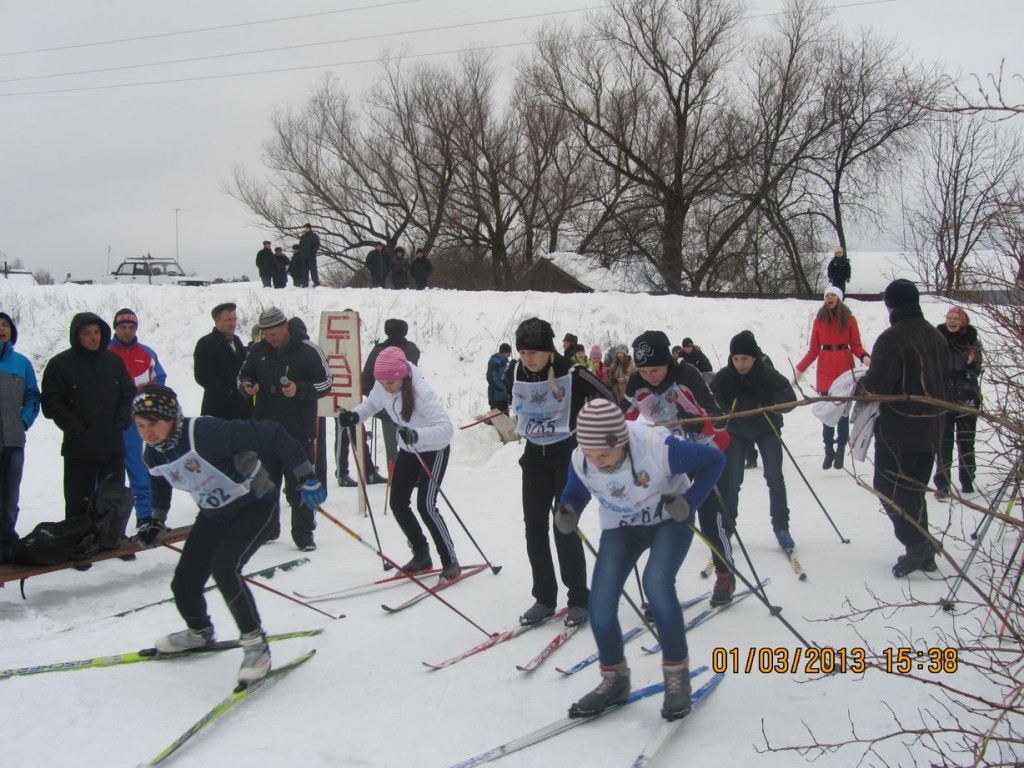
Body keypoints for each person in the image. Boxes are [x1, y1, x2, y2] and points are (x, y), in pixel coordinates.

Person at [133, 383, 326, 687]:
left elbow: (271, 432)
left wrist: (306, 474)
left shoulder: (206, 433)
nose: (148, 432)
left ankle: (255, 646)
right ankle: (200, 632)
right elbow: (160, 481)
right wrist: (156, 520)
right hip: (214, 514)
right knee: (184, 581)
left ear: (172, 416)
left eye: (154, 423)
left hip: (256, 505)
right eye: (140, 426)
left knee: (225, 567)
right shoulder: (154, 453)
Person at [557, 399, 725, 720]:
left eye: (605, 455)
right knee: (601, 601)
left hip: (669, 521)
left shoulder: (657, 448)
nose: (599, 463)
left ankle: (677, 676)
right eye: (591, 456)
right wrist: (568, 511)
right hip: (622, 527)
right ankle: (614, 679)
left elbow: (714, 460)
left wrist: (690, 501)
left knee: (656, 584)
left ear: (621, 441)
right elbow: (576, 493)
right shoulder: (583, 458)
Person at [506, 317, 614, 627]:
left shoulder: (573, 371)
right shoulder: (514, 370)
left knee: (564, 524)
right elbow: (507, 393)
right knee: (534, 525)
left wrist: (591, 426)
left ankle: (579, 597)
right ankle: (544, 598)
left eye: (535, 352)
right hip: (534, 456)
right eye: (524, 352)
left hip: (566, 454)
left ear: (549, 351)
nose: (529, 358)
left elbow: (607, 398)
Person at [623, 330, 735, 606]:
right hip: (668, 453)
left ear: (668, 363)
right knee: (661, 520)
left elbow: (717, 414)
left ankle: (724, 573)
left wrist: (701, 422)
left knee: (710, 518)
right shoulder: (636, 382)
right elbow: (623, 416)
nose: (650, 376)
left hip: (706, 451)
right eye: (645, 371)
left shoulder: (687, 375)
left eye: (656, 370)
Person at [337, 347, 460, 579]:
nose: (386, 387)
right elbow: (372, 404)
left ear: (402, 376)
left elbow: (446, 429)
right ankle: (421, 554)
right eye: (382, 383)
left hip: (434, 450)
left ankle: (450, 560)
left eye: (390, 383)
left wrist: (417, 435)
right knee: (397, 502)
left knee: (426, 505)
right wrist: (355, 416)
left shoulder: (422, 393)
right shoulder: (383, 384)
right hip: (408, 449)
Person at [858, 279, 949, 577]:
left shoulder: (892, 339)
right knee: (913, 490)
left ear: (891, 305)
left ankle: (917, 545)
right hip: (933, 426)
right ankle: (923, 552)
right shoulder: (936, 337)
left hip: (900, 428)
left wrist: (859, 387)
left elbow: (878, 385)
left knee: (889, 487)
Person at [238, 307, 333, 551]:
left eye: (273, 333)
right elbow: (243, 375)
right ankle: (268, 529)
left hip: (297, 430)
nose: (269, 338)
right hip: (265, 430)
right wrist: (247, 385)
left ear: (285, 327)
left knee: (300, 483)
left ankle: (303, 534)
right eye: (265, 334)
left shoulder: (308, 350)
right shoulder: (257, 350)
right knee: (266, 483)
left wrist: (299, 389)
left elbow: (326, 383)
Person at [41, 312, 136, 520]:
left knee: (113, 498)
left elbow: (129, 393)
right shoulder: (60, 364)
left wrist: (121, 421)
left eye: (96, 332)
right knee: (79, 501)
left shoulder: (114, 361)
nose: (94, 337)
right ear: (77, 336)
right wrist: (77, 428)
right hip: (79, 446)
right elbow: (51, 403)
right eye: (87, 333)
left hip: (112, 444)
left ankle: (112, 539)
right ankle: (78, 543)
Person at [710, 331, 798, 550]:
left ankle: (781, 527)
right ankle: (727, 527)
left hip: (766, 430)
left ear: (754, 358)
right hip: (737, 432)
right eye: (736, 359)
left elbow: (790, 401)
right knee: (732, 481)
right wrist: (724, 400)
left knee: (774, 477)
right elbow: (709, 401)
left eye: (745, 359)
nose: (740, 364)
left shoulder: (767, 374)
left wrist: (766, 397)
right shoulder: (725, 376)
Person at [794, 286, 870, 470]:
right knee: (827, 412)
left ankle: (841, 450)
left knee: (842, 413)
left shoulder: (850, 319)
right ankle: (828, 449)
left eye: (833, 294)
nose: (829, 297)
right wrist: (799, 371)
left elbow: (856, 346)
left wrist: (866, 358)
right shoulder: (819, 320)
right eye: (827, 295)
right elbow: (813, 350)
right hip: (825, 369)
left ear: (839, 298)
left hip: (845, 369)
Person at [108, 308, 168, 535]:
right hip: (111, 422)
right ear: (116, 328)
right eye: (123, 327)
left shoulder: (146, 353)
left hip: (137, 421)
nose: (127, 331)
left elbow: (160, 379)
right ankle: (110, 526)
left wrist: (148, 389)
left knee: (139, 469)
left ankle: (144, 517)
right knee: (110, 475)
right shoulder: (106, 351)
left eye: (131, 327)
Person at [0, 312, 40, 564]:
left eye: (6, 325)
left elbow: (32, 398)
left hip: (13, 441)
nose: (2, 329)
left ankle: (5, 543)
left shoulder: (21, 363)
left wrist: (23, 421)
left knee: (9, 497)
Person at [361, 319, 421, 475]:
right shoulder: (413, 350)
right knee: (410, 439)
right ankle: (413, 473)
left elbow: (366, 378)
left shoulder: (378, 351)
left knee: (391, 443)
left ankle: (394, 475)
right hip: (409, 401)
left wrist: (375, 395)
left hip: (386, 403)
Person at [934, 307, 983, 496]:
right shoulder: (937, 340)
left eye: (956, 318)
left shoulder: (972, 343)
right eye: (949, 317)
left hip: (967, 400)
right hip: (943, 399)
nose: (952, 321)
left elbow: (975, 372)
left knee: (966, 442)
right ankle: (943, 484)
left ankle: (967, 479)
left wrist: (971, 364)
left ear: (963, 322)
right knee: (943, 443)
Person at [193, 303, 253, 421]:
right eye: (228, 320)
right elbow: (202, 376)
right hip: (218, 409)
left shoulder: (236, 341)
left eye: (235, 319)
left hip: (241, 407)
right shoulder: (206, 343)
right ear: (217, 321)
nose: (233, 323)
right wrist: (229, 391)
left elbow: (244, 368)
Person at [486, 343, 512, 412]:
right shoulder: (495, 361)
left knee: (505, 421)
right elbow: (491, 378)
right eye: (509, 352)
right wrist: (503, 388)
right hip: (496, 398)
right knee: (497, 421)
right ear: (505, 352)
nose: (509, 355)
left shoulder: (503, 363)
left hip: (503, 398)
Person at [299, 223, 321, 287]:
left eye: (307, 228)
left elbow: (317, 244)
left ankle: (316, 283)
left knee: (313, 270)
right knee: (304, 271)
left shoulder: (314, 236)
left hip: (311, 256)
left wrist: (313, 251)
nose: (305, 229)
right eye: (305, 228)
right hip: (304, 257)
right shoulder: (303, 236)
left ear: (310, 228)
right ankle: (305, 283)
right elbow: (301, 246)